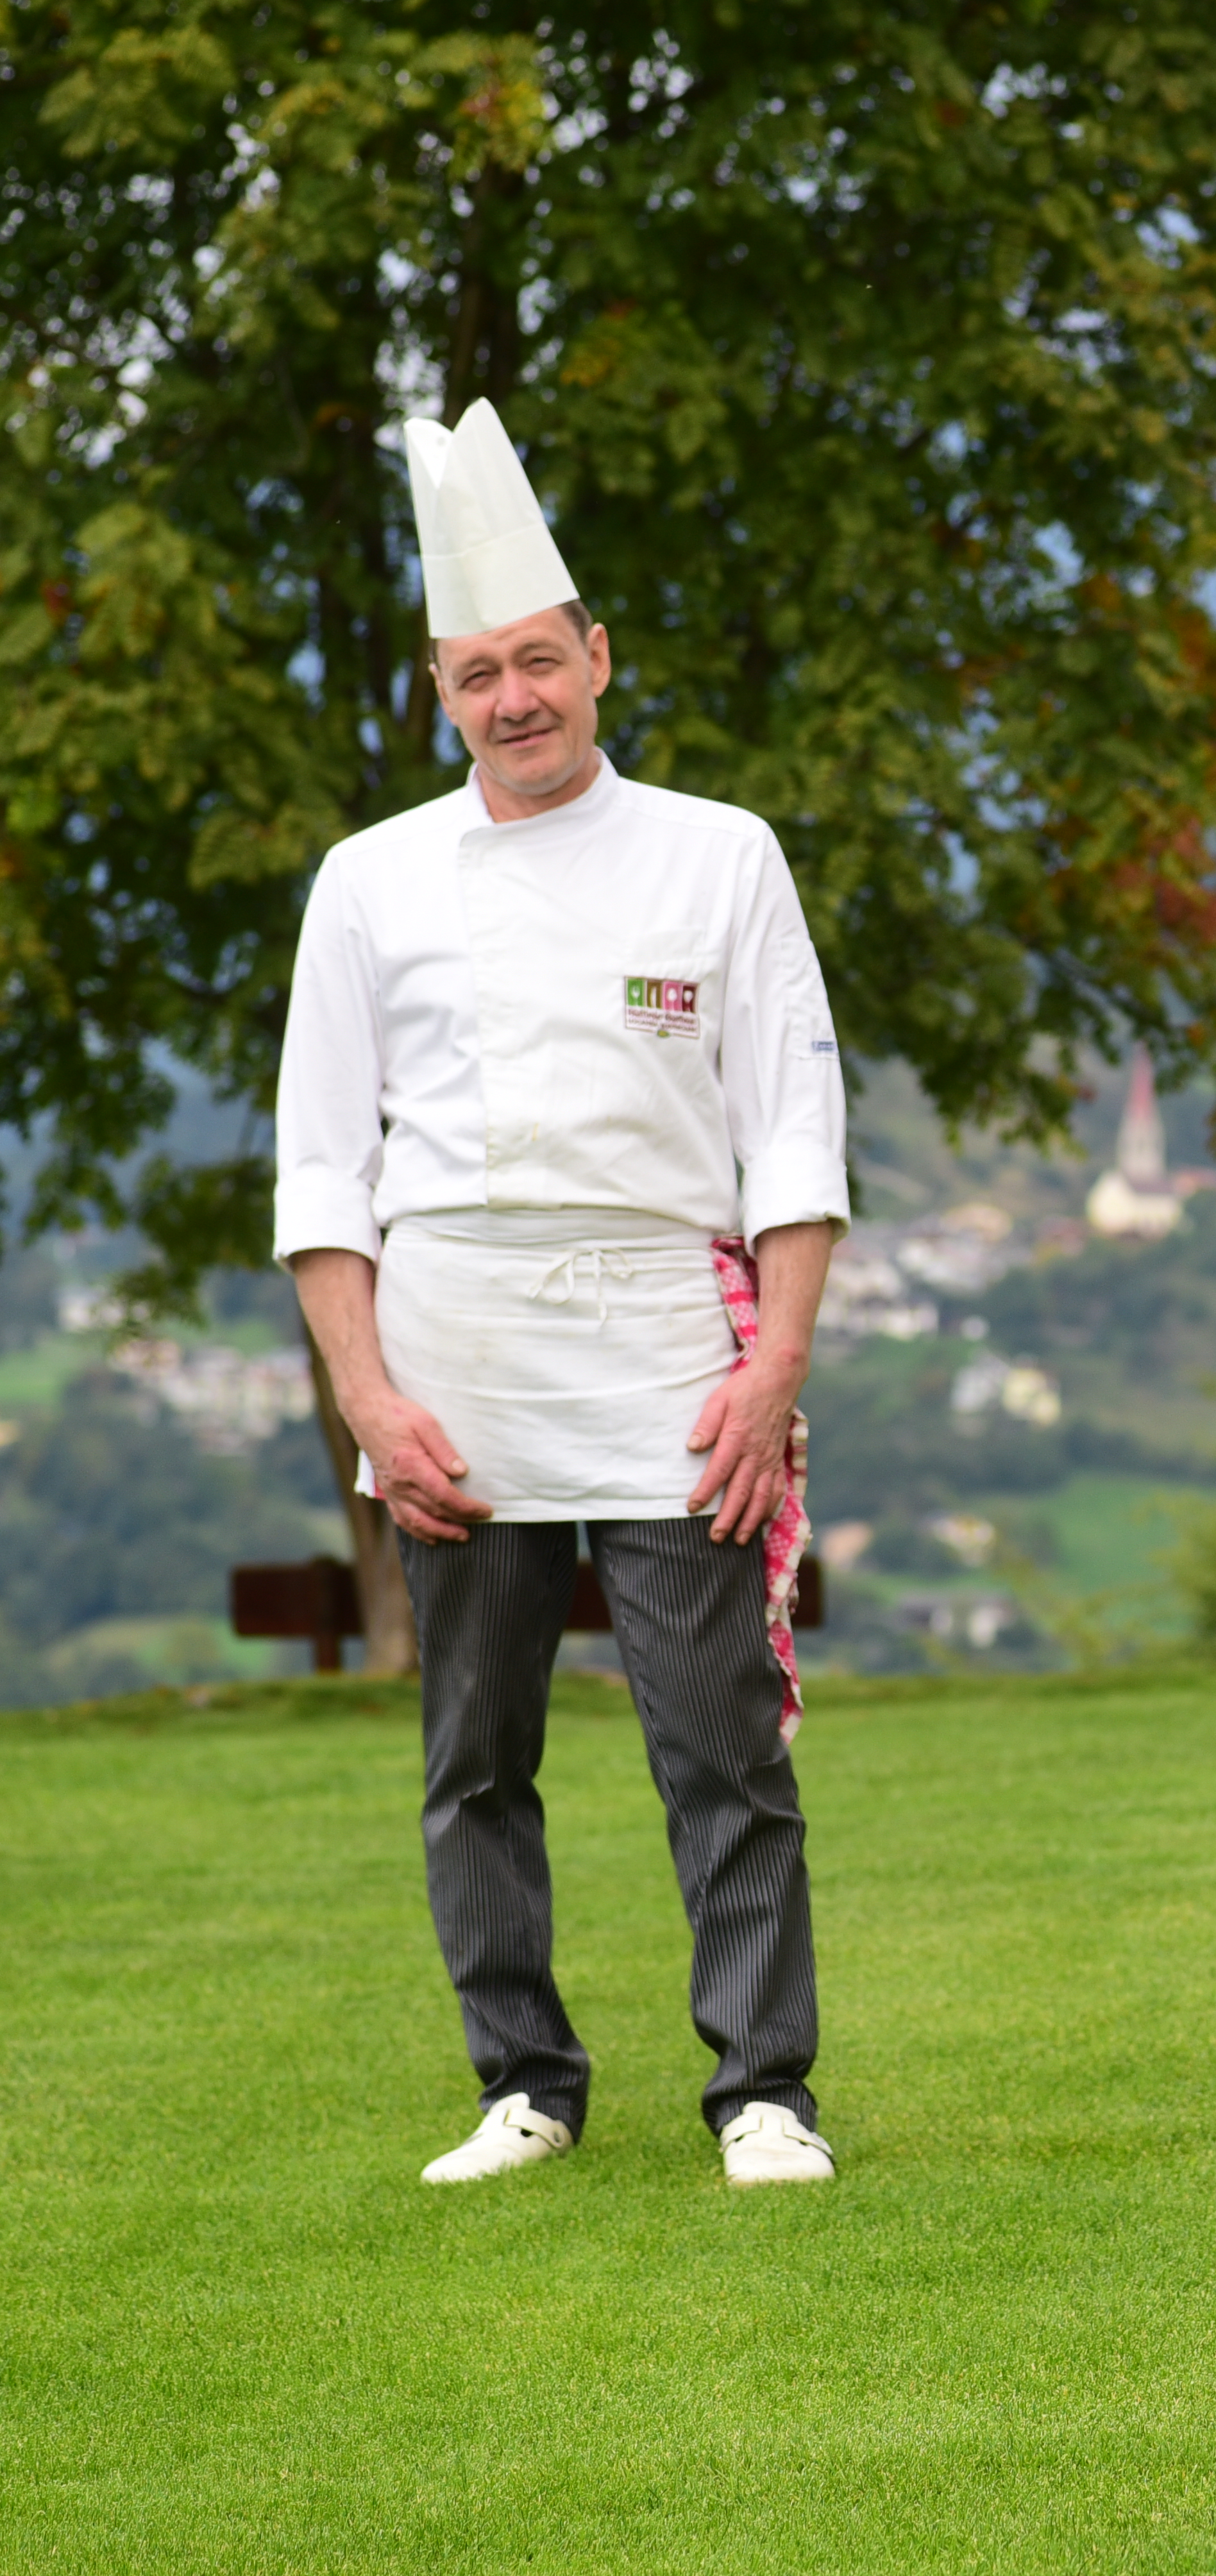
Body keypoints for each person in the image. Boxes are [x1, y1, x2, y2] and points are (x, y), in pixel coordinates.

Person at [273, 400, 849, 2189]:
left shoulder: (721, 852)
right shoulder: (367, 882)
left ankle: (763, 2090)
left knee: (718, 1748)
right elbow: (322, 1172)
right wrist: (370, 1400)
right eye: (478, 674)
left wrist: (773, 1373)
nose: (515, 698)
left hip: (672, 1355)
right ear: (441, 693)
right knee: (473, 1757)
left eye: (540, 661)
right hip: (453, 1364)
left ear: (598, 658)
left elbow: (794, 1137)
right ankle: (521, 2081)